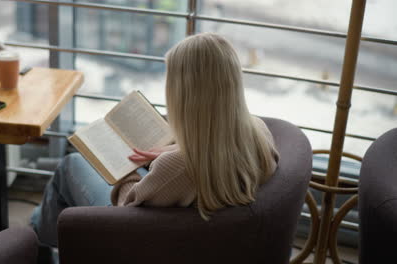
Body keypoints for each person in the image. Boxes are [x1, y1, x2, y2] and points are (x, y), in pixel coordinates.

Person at [31, 32, 279, 247]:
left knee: (70, 165)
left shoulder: (177, 168)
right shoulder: (258, 131)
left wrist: (125, 169)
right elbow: (214, 153)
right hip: (205, 237)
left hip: (140, 239)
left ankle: (37, 242)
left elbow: (127, 211)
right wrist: (175, 150)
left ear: (185, 94)